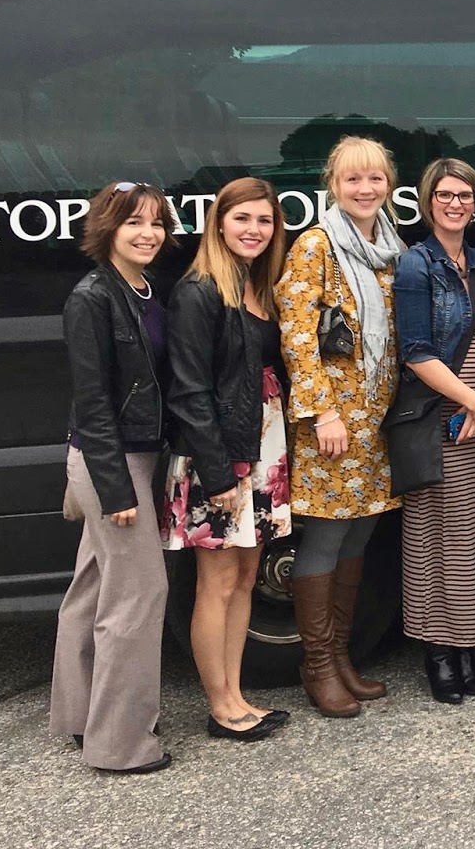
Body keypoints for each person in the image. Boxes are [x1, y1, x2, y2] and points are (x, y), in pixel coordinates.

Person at [49, 181, 177, 773]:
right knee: (139, 594)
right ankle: (121, 745)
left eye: (156, 223)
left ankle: (80, 717)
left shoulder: (144, 289)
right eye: (134, 223)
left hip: (132, 457)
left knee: (93, 589)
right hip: (112, 462)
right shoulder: (92, 297)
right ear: (108, 228)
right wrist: (114, 488)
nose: (148, 234)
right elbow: (93, 401)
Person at [277, 135, 405, 716]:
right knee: (327, 537)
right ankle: (318, 665)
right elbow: (298, 335)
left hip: (377, 418)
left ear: (389, 185)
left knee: (360, 535)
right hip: (334, 422)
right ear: (334, 185)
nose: (365, 189)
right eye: (353, 179)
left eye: (375, 178)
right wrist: (323, 412)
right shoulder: (317, 245)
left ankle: (342, 657)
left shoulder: (391, 246)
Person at [163, 177, 292, 742]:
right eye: (242, 218)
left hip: (260, 448)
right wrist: (217, 475)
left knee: (243, 578)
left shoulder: (254, 284)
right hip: (217, 457)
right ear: (218, 222)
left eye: (264, 221)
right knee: (215, 583)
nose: (254, 230)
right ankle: (219, 706)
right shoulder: (198, 291)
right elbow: (189, 391)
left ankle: (237, 694)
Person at [393, 159, 475, 704]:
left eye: (464, 195)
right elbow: (415, 350)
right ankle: (439, 651)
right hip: (443, 418)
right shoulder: (416, 265)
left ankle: (470, 645)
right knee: (440, 536)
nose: (454, 203)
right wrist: (470, 402)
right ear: (427, 201)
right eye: (444, 194)